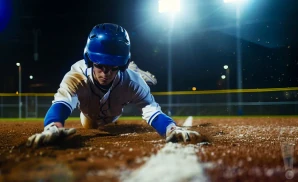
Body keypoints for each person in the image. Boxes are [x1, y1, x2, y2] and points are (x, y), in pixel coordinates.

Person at [26, 23, 200, 148]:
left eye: (113, 66)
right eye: (99, 65)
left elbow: (152, 111)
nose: (105, 72)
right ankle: (132, 70)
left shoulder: (132, 82)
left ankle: (136, 71)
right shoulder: (76, 76)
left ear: (122, 64)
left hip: (113, 112)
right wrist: (53, 126)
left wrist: (171, 128)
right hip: (89, 114)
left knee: (132, 89)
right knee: (90, 126)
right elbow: (62, 103)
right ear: (89, 60)